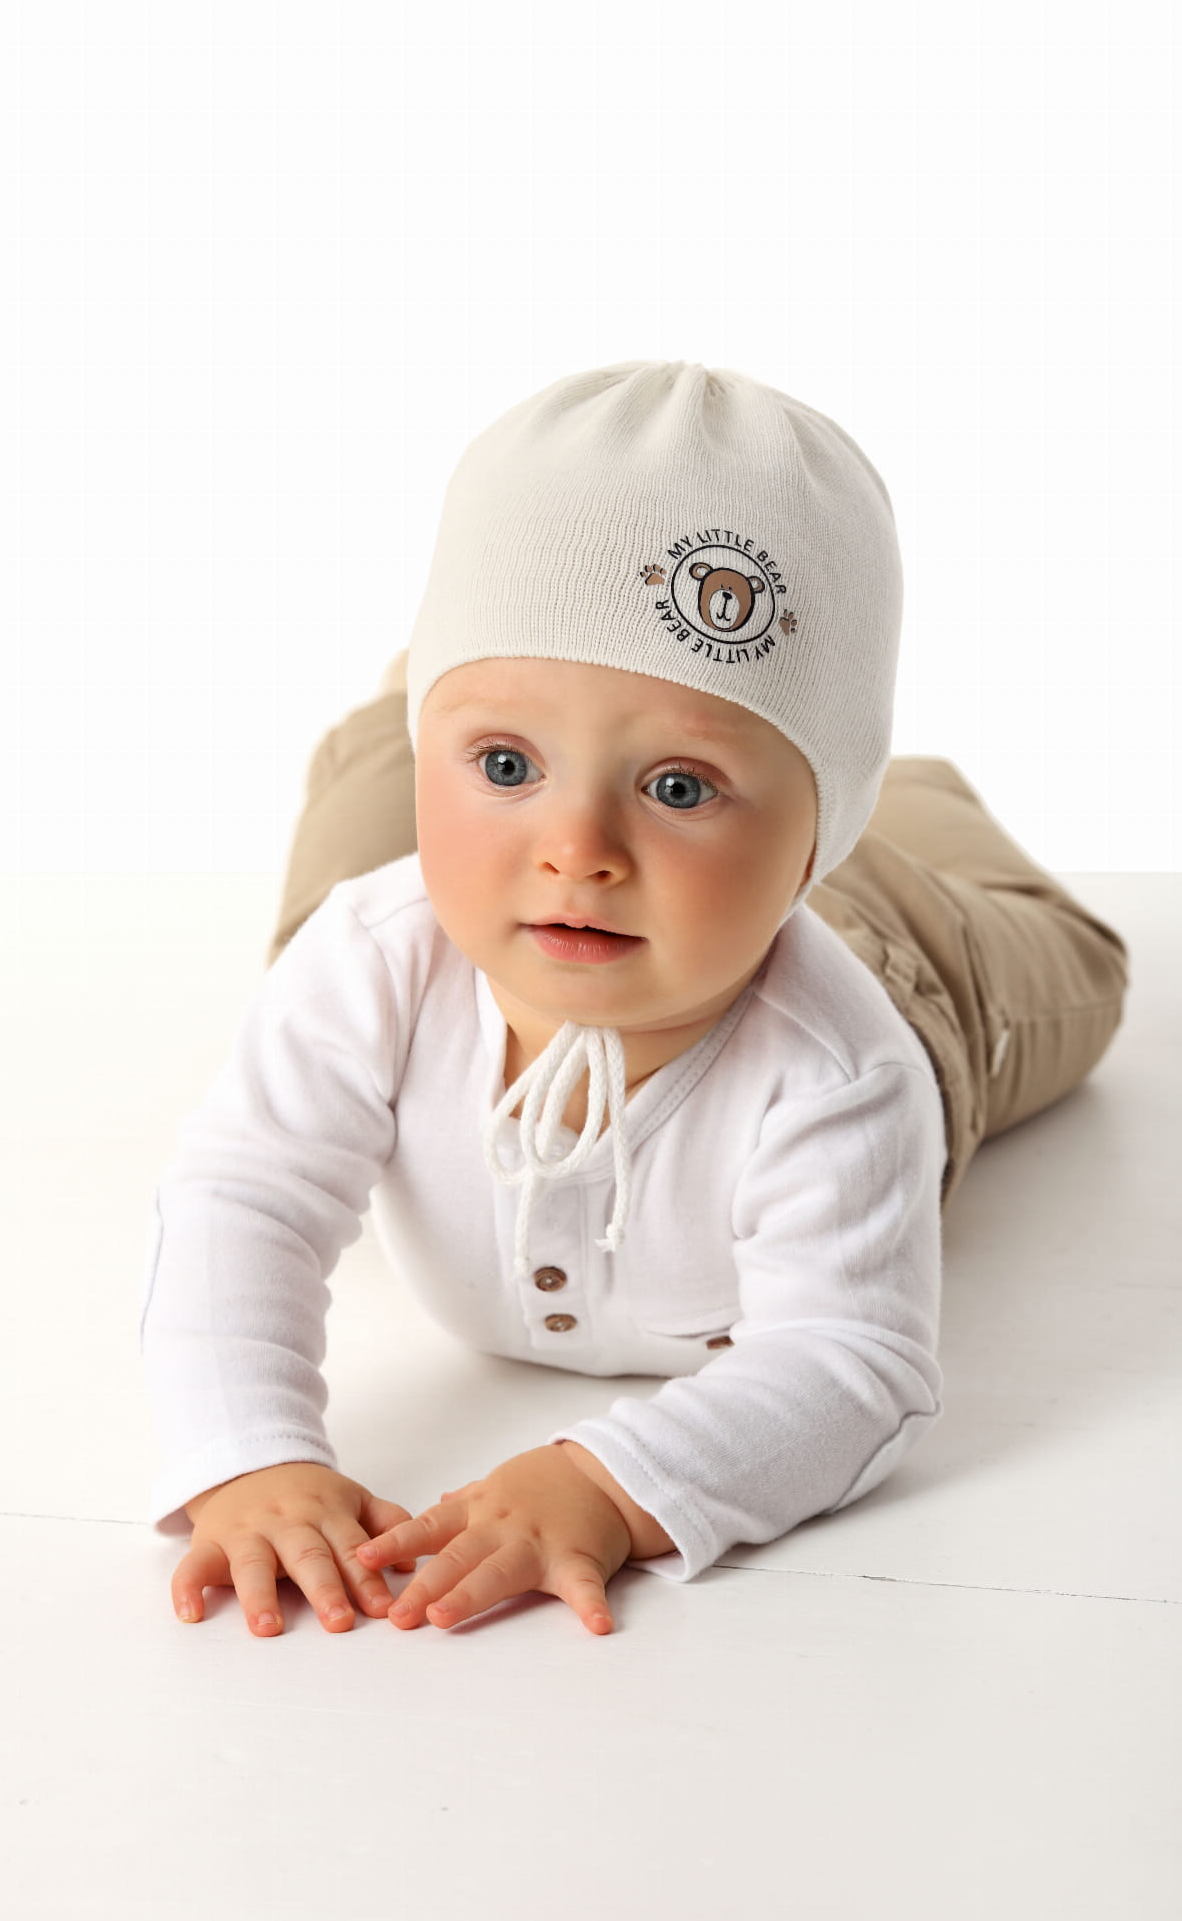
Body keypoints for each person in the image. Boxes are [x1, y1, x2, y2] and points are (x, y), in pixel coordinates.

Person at [139, 360, 1130, 1642]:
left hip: (909, 953)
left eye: (678, 786)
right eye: (506, 761)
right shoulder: (371, 957)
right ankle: (416, 721)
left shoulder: (843, 1070)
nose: (578, 850)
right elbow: (243, 1194)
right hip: (474, 900)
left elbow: (850, 1359)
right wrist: (246, 1450)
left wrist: (615, 1485)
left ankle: (907, 807)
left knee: (1077, 970)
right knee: (341, 890)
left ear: (818, 821)